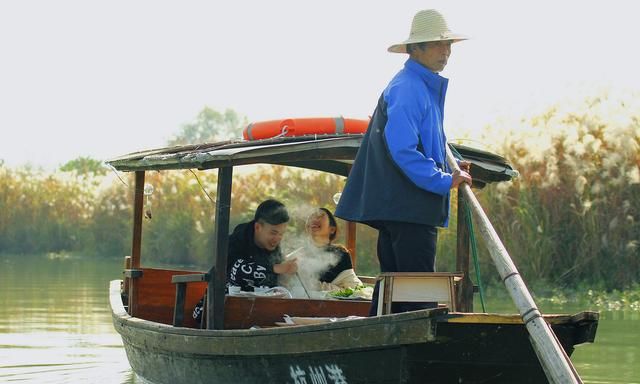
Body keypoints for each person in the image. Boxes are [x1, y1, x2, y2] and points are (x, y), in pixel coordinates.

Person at [335, 9, 472, 315]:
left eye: (448, 45)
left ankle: (372, 345)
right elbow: (403, 150)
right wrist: (444, 181)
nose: (446, 51)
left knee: (394, 291)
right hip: (409, 208)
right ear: (415, 49)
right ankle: (404, 350)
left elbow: (433, 145)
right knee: (414, 295)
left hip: (402, 207)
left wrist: (454, 167)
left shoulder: (421, 86)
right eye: (437, 45)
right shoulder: (409, 88)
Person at [226, 199, 298, 291]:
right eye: (273, 233)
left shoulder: (274, 249)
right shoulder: (237, 240)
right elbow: (234, 271)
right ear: (258, 227)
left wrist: (286, 274)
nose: (277, 238)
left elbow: (276, 285)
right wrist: (274, 269)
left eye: (281, 234)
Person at [302, 208, 363, 290]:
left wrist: (319, 287)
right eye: (312, 216)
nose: (314, 218)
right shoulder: (298, 255)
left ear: (332, 229)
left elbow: (355, 289)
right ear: (307, 227)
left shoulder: (341, 254)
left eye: (320, 216)